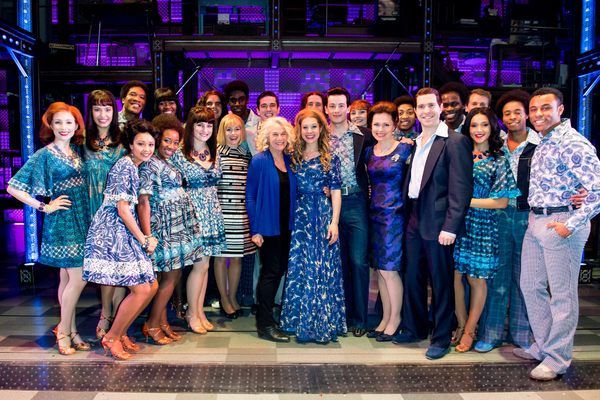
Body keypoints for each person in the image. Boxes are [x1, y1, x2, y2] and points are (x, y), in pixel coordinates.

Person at [516, 88, 600, 381]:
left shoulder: (573, 142)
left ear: (560, 109)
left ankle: (557, 358)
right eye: (534, 109)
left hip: (562, 221)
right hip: (537, 219)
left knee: (562, 297)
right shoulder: (542, 141)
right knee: (530, 286)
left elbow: (598, 189)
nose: (539, 114)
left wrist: (571, 224)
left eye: (545, 108)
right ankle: (544, 345)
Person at [392, 88, 473, 360]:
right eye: (421, 107)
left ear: (441, 108)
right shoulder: (415, 142)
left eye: (430, 106)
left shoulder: (455, 141)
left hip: (438, 222)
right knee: (412, 275)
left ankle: (440, 337)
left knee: (441, 282)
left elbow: (460, 189)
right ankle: (414, 327)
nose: (425, 111)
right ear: (415, 111)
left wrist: (450, 227)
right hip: (413, 216)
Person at [8, 102, 90, 355]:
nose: (63, 127)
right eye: (58, 122)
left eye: (69, 122)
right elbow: (13, 187)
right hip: (63, 221)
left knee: (67, 279)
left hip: (83, 217)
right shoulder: (44, 155)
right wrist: (44, 207)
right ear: (50, 125)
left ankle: (71, 330)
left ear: (77, 125)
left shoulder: (78, 151)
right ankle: (63, 331)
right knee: (78, 277)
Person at [82, 119, 159, 360]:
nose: (147, 149)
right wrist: (145, 239)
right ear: (130, 144)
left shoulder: (133, 166)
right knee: (142, 288)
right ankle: (112, 336)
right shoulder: (125, 166)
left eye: (150, 144)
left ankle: (121, 332)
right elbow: (123, 210)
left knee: (150, 285)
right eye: (141, 143)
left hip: (123, 228)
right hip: (113, 230)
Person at [452, 107, 520, 353]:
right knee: (455, 276)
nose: (478, 130)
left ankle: (470, 331)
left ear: (492, 128)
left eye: (484, 125)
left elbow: (501, 201)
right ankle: (460, 324)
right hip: (457, 222)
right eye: (473, 125)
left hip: (482, 224)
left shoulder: (499, 159)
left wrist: (463, 201)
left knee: (476, 279)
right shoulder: (459, 153)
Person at [474, 90, 538, 353]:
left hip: (527, 216)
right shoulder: (496, 144)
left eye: (517, 112)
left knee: (525, 279)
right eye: (507, 113)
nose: (512, 117)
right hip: (497, 216)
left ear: (527, 115)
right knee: (496, 278)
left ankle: (522, 333)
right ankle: (491, 333)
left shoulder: (540, 144)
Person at [279, 108, 346, 343]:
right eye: (304, 127)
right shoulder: (291, 156)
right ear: (298, 129)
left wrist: (335, 222)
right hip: (298, 217)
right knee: (300, 268)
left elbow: (336, 192)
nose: (309, 131)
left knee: (320, 268)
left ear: (321, 129)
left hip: (322, 215)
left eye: (313, 127)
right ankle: (299, 321)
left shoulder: (331, 158)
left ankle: (321, 323)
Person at [137, 114, 203, 345]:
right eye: (167, 141)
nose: (172, 147)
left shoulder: (166, 161)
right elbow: (143, 201)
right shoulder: (149, 163)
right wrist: (147, 235)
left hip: (175, 224)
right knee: (171, 275)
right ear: (157, 138)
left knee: (170, 276)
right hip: (162, 226)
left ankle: (162, 321)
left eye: (176, 142)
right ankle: (152, 323)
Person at [168, 106, 227, 334]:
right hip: (191, 213)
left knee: (206, 266)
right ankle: (192, 314)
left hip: (212, 212)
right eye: (200, 124)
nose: (205, 129)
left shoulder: (216, 152)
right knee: (199, 265)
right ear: (190, 126)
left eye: (209, 125)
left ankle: (199, 311)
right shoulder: (180, 154)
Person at [80, 89, 128, 340]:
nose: (103, 114)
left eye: (108, 108)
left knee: (119, 265)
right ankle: (105, 312)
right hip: (90, 209)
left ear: (114, 111)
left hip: (117, 211)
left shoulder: (122, 142)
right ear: (90, 111)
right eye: (97, 108)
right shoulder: (81, 142)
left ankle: (116, 317)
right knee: (102, 268)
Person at [326, 87, 374, 337]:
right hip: (328, 205)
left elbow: (386, 149)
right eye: (331, 106)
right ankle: (341, 315)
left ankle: (360, 317)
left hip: (355, 201)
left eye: (341, 105)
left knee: (358, 261)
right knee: (340, 263)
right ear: (326, 109)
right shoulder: (319, 135)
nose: (336, 110)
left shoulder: (365, 135)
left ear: (348, 108)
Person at [364, 102, 412, 342]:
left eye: (385, 124)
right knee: (380, 271)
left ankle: (396, 319)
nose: (380, 128)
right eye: (376, 124)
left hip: (395, 216)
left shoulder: (404, 150)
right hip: (374, 215)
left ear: (395, 125)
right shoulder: (368, 152)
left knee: (390, 270)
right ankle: (384, 318)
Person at [246, 117, 297, 342]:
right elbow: (250, 197)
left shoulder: (290, 160)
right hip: (268, 227)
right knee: (270, 272)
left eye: (283, 134)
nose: (279, 138)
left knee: (280, 270)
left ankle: (269, 319)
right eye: (274, 134)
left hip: (288, 226)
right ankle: (264, 324)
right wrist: (255, 229)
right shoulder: (259, 160)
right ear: (266, 138)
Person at [214, 114, 256, 318]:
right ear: (222, 132)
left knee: (237, 258)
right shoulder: (215, 153)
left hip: (240, 214)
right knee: (221, 258)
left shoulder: (246, 153)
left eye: (237, 129)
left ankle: (233, 297)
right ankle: (224, 298)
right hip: (221, 212)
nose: (233, 133)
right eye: (228, 129)